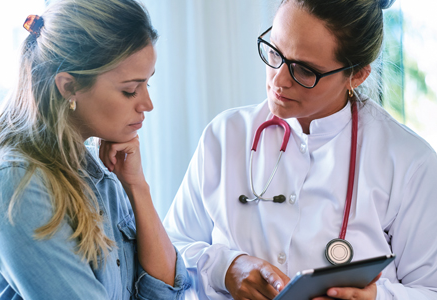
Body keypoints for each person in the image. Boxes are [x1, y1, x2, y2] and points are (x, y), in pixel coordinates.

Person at [163, 0, 437, 299]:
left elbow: (429, 289)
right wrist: (225, 268)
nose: (278, 81)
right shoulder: (225, 135)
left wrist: (374, 297)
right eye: (274, 52)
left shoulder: (411, 162)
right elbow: (170, 248)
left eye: (304, 70)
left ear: (357, 75)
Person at [0, 0, 190, 299]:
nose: (147, 104)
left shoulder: (101, 175)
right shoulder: (16, 185)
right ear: (68, 86)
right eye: (130, 90)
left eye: (148, 84)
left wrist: (137, 187)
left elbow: (165, 290)